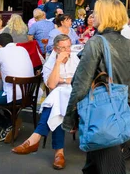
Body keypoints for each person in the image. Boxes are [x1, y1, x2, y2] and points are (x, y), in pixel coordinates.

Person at [63, 0, 130, 174]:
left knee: (108, 165)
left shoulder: (96, 42)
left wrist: (70, 117)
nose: (92, 15)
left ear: (104, 15)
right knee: (96, 165)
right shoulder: (129, 44)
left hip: (100, 112)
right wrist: (128, 110)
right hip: (117, 110)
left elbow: (81, 84)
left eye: (96, 12)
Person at [12, 34, 80, 170]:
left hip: (76, 96)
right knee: (58, 103)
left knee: (57, 97)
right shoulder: (50, 63)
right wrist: (58, 63)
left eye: (68, 47)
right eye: (63, 48)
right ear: (55, 49)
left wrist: (65, 80)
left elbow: (79, 82)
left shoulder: (77, 59)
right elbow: (52, 85)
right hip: (59, 98)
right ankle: (59, 154)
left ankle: (36, 139)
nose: (67, 51)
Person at [0, 33, 34, 143]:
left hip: (14, 95)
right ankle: (12, 121)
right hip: (28, 94)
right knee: (0, 93)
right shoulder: (22, 49)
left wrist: (3, 73)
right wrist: (5, 73)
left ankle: (7, 125)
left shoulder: (0, 51)